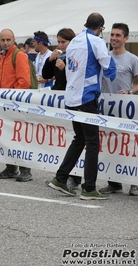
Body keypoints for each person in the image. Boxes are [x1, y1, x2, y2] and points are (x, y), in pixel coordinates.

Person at [48, 13, 116, 200]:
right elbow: (109, 67)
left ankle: (60, 178)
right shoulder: (96, 42)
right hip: (86, 96)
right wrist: (112, 73)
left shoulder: (75, 40)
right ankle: (89, 188)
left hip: (71, 97)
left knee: (79, 139)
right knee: (92, 142)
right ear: (101, 27)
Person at [98, 23, 138, 196]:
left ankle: (134, 182)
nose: (114, 38)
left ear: (126, 38)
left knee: (129, 146)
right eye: (112, 34)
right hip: (107, 109)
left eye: (118, 35)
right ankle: (114, 182)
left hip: (127, 110)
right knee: (110, 145)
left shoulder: (133, 59)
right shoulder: (104, 57)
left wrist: (129, 91)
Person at [42, 28, 81, 190]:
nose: (60, 45)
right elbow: (45, 75)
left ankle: (74, 176)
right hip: (59, 100)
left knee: (76, 138)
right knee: (63, 139)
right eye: (58, 42)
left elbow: (76, 79)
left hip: (72, 100)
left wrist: (65, 68)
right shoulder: (58, 56)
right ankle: (63, 174)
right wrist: (50, 60)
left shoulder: (76, 56)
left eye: (63, 42)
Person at [0, 28, 33, 182]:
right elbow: (0, 79)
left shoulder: (19, 56)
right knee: (8, 136)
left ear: (13, 40)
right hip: (6, 102)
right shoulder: (2, 57)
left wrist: (9, 95)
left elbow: (25, 82)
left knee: (19, 136)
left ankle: (25, 170)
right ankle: (11, 168)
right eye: (3, 40)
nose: (5, 42)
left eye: (8, 40)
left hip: (15, 103)